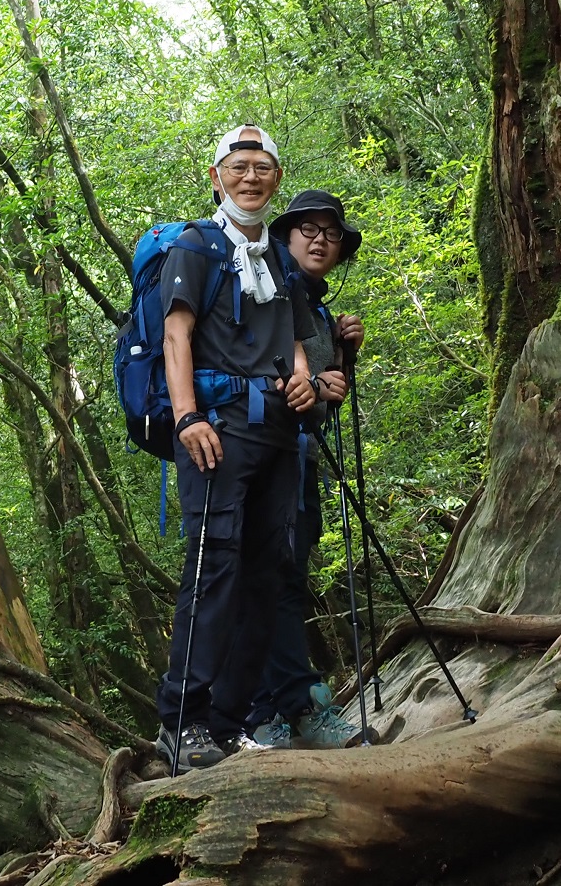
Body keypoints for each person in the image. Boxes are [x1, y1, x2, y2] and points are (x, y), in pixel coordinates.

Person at [153, 126, 330, 770]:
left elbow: (295, 335)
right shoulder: (196, 249)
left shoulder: (280, 260)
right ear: (216, 174)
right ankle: (182, 722)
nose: (251, 177)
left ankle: (226, 723)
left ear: (275, 178)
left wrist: (305, 376)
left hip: (279, 436)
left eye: (262, 168)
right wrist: (186, 418)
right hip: (217, 434)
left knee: (266, 574)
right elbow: (178, 337)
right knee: (213, 571)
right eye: (239, 166)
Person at [232, 189, 365, 750]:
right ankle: (278, 708)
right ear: (285, 238)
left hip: (295, 460)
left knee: (284, 578)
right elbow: (273, 379)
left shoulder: (313, 306)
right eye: (306, 229)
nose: (319, 239)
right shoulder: (267, 291)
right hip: (258, 458)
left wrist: (342, 362)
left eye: (330, 233)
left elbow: (316, 403)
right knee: (270, 579)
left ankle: (275, 709)